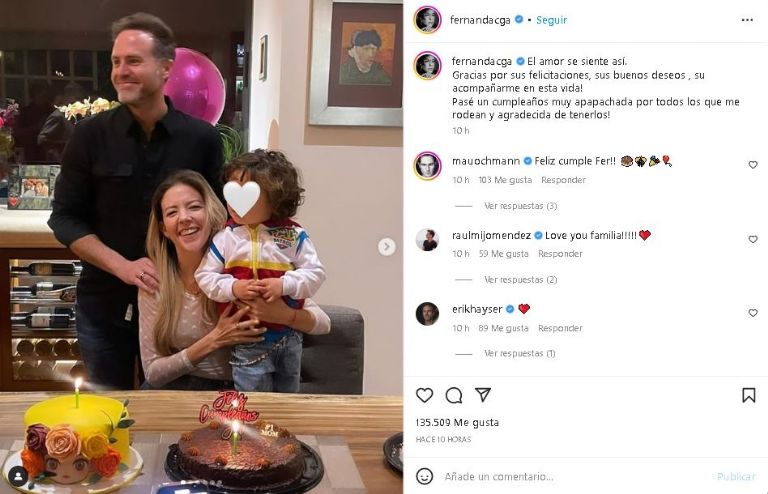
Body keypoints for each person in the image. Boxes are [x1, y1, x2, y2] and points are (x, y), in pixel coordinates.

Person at [48, 12, 223, 390]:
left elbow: (218, 221)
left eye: (133, 61)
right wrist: (123, 267)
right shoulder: (88, 136)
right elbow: (64, 219)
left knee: (171, 406)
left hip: (178, 309)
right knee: (108, 409)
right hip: (104, 304)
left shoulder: (202, 139)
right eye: (116, 62)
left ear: (166, 68)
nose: (121, 71)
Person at [140, 170, 330, 389]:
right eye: (172, 212)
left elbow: (323, 323)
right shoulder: (154, 280)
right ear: (164, 228)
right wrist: (215, 339)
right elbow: (153, 374)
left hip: (236, 390)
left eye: (194, 207)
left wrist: (284, 315)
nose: (184, 218)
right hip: (175, 391)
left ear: (211, 212)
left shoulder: (249, 263)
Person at [195, 150, 327, 392]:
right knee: (253, 405)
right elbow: (204, 276)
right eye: (232, 191)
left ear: (276, 198)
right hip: (248, 339)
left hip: (290, 337)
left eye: (248, 194)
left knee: (288, 404)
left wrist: (284, 284)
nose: (235, 202)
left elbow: (315, 273)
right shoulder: (226, 238)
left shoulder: (293, 235)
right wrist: (234, 287)